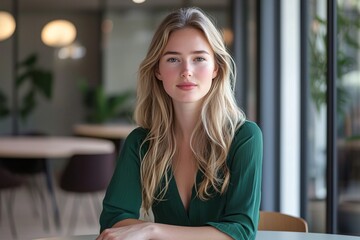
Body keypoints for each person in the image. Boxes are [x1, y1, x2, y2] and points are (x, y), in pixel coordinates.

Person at [97, 7, 263, 240]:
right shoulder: (140, 142)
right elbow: (114, 219)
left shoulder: (244, 137)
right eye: (173, 59)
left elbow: (241, 232)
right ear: (157, 69)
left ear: (216, 67)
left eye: (199, 59)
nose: (186, 71)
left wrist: (152, 229)